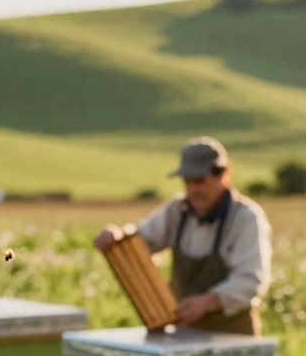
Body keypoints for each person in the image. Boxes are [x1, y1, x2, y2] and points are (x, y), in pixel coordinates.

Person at [94, 137, 271, 335]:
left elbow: (251, 280)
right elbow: (141, 241)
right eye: (187, 181)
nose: (193, 190)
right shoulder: (177, 211)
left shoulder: (245, 218)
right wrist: (118, 235)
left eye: (199, 181)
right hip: (184, 333)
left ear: (224, 174)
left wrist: (209, 302)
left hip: (233, 336)